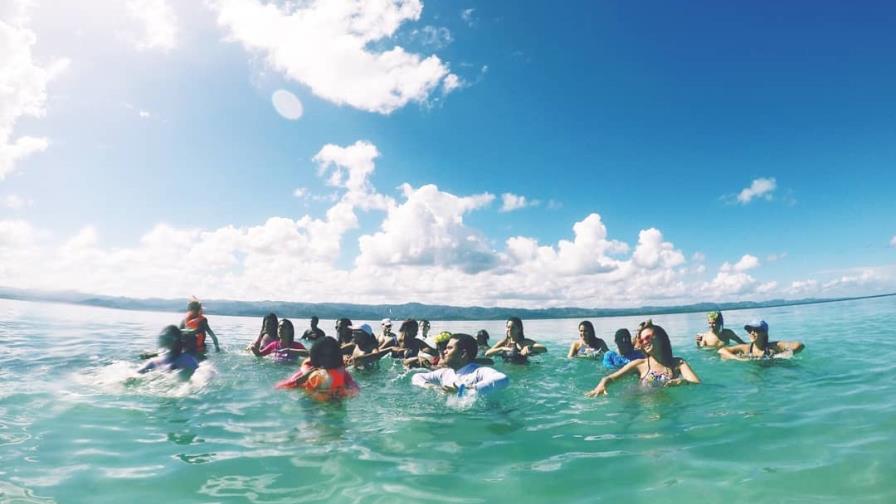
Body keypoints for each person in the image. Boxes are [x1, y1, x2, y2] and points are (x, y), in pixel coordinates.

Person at [586, 321, 700, 397]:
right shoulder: (639, 364)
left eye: (648, 337)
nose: (644, 342)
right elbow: (610, 378)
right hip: (644, 406)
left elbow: (696, 383)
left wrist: (683, 382)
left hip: (671, 406)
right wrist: (602, 384)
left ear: (661, 338)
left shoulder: (678, 363)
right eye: (641, 340)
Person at [412, 333, 509, 397]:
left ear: (463, 354)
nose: (444, 351)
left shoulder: (478, 372)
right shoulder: (444, 373)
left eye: (449, 348)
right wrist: (432, 387)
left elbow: (503, 379)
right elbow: (416, 377)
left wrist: (467, 391)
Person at [275, 337, 359, 401]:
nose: (327, 359)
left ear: (336, 356)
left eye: (330, 355)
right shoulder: (308, 369)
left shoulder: (342, 373)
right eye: (323, 355)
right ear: (317, 355)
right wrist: (302, 380)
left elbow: (355, 388)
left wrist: (343, 393)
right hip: (310, 401)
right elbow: (282, 386)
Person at [718, 320, 805, 360]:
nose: (752, 333)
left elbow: (800, 345)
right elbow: (721, 350)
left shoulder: (773, 346)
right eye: (749, 330)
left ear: (764, 333)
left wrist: (779, 356)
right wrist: (738, 359)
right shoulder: (747, 348)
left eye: (756, 330)